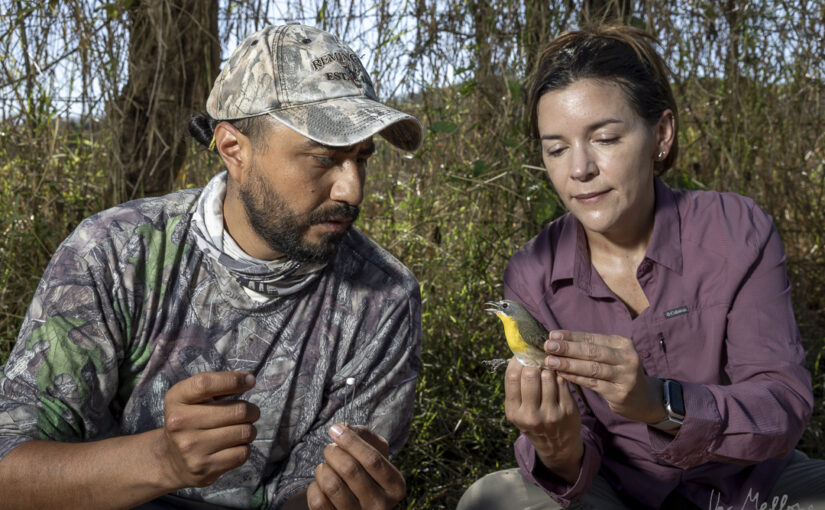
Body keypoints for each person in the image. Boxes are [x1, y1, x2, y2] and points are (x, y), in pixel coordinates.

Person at [0, 23, 423, 510]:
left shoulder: (383, 299)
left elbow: (309, 493)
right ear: (233, 149)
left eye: (362, 158)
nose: (352, 190)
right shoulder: (115, 252)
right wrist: (160, 459)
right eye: (324, 159)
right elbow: (11, 470)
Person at [458, 25, 825, 510]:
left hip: (748, 485)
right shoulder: (532, 271)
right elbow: (571, 452)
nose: (579, 169)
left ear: (662, 135)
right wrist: (557, 447)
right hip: (613, 490)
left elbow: (782, 404)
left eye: (605, 138)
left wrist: (660, 402)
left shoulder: (737, 230)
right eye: (556, 148)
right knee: (490, 500)